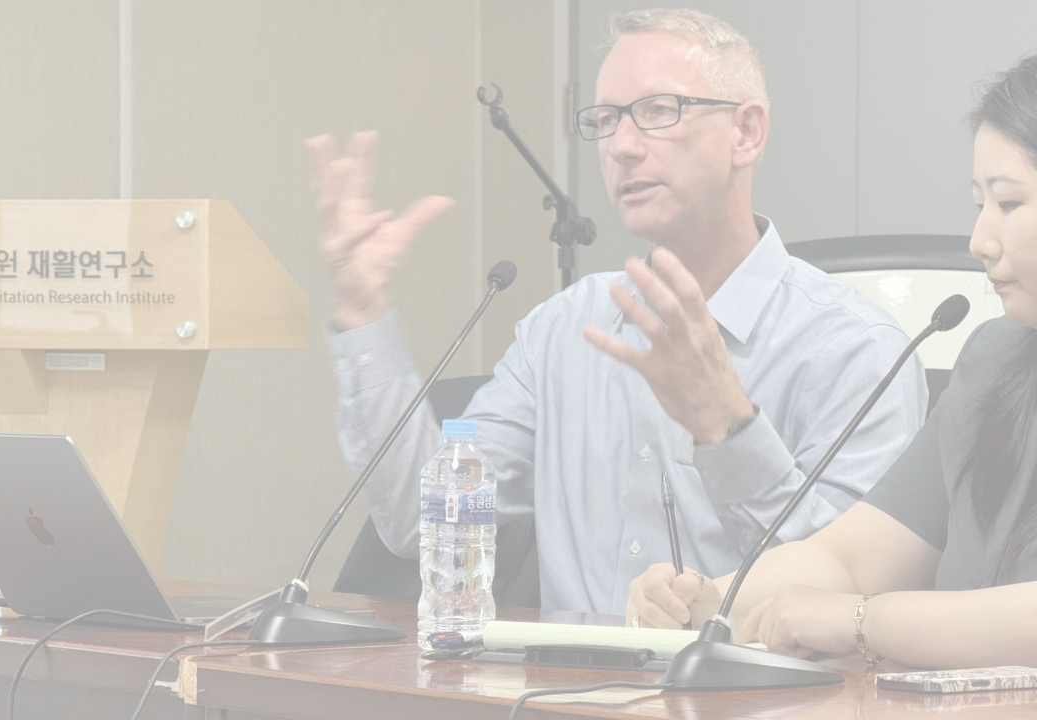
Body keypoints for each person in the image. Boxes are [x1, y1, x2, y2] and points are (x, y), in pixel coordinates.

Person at [314, 8, 926, 614]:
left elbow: (855, 601)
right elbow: (425, 528)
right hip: (555, 699)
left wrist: (728, 429)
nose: (622, 146)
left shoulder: (857, 348)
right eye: (605, 120)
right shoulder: (563, 329)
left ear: (747, 133)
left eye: (658, 111)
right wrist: (364, 313)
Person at [626, 55, 1037, 669]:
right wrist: (713, 601)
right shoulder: (993, 356)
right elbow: (851, 558)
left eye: (1008, 203)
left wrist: (862, 620)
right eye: (978, 203)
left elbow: (854, 602)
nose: (979, 240)